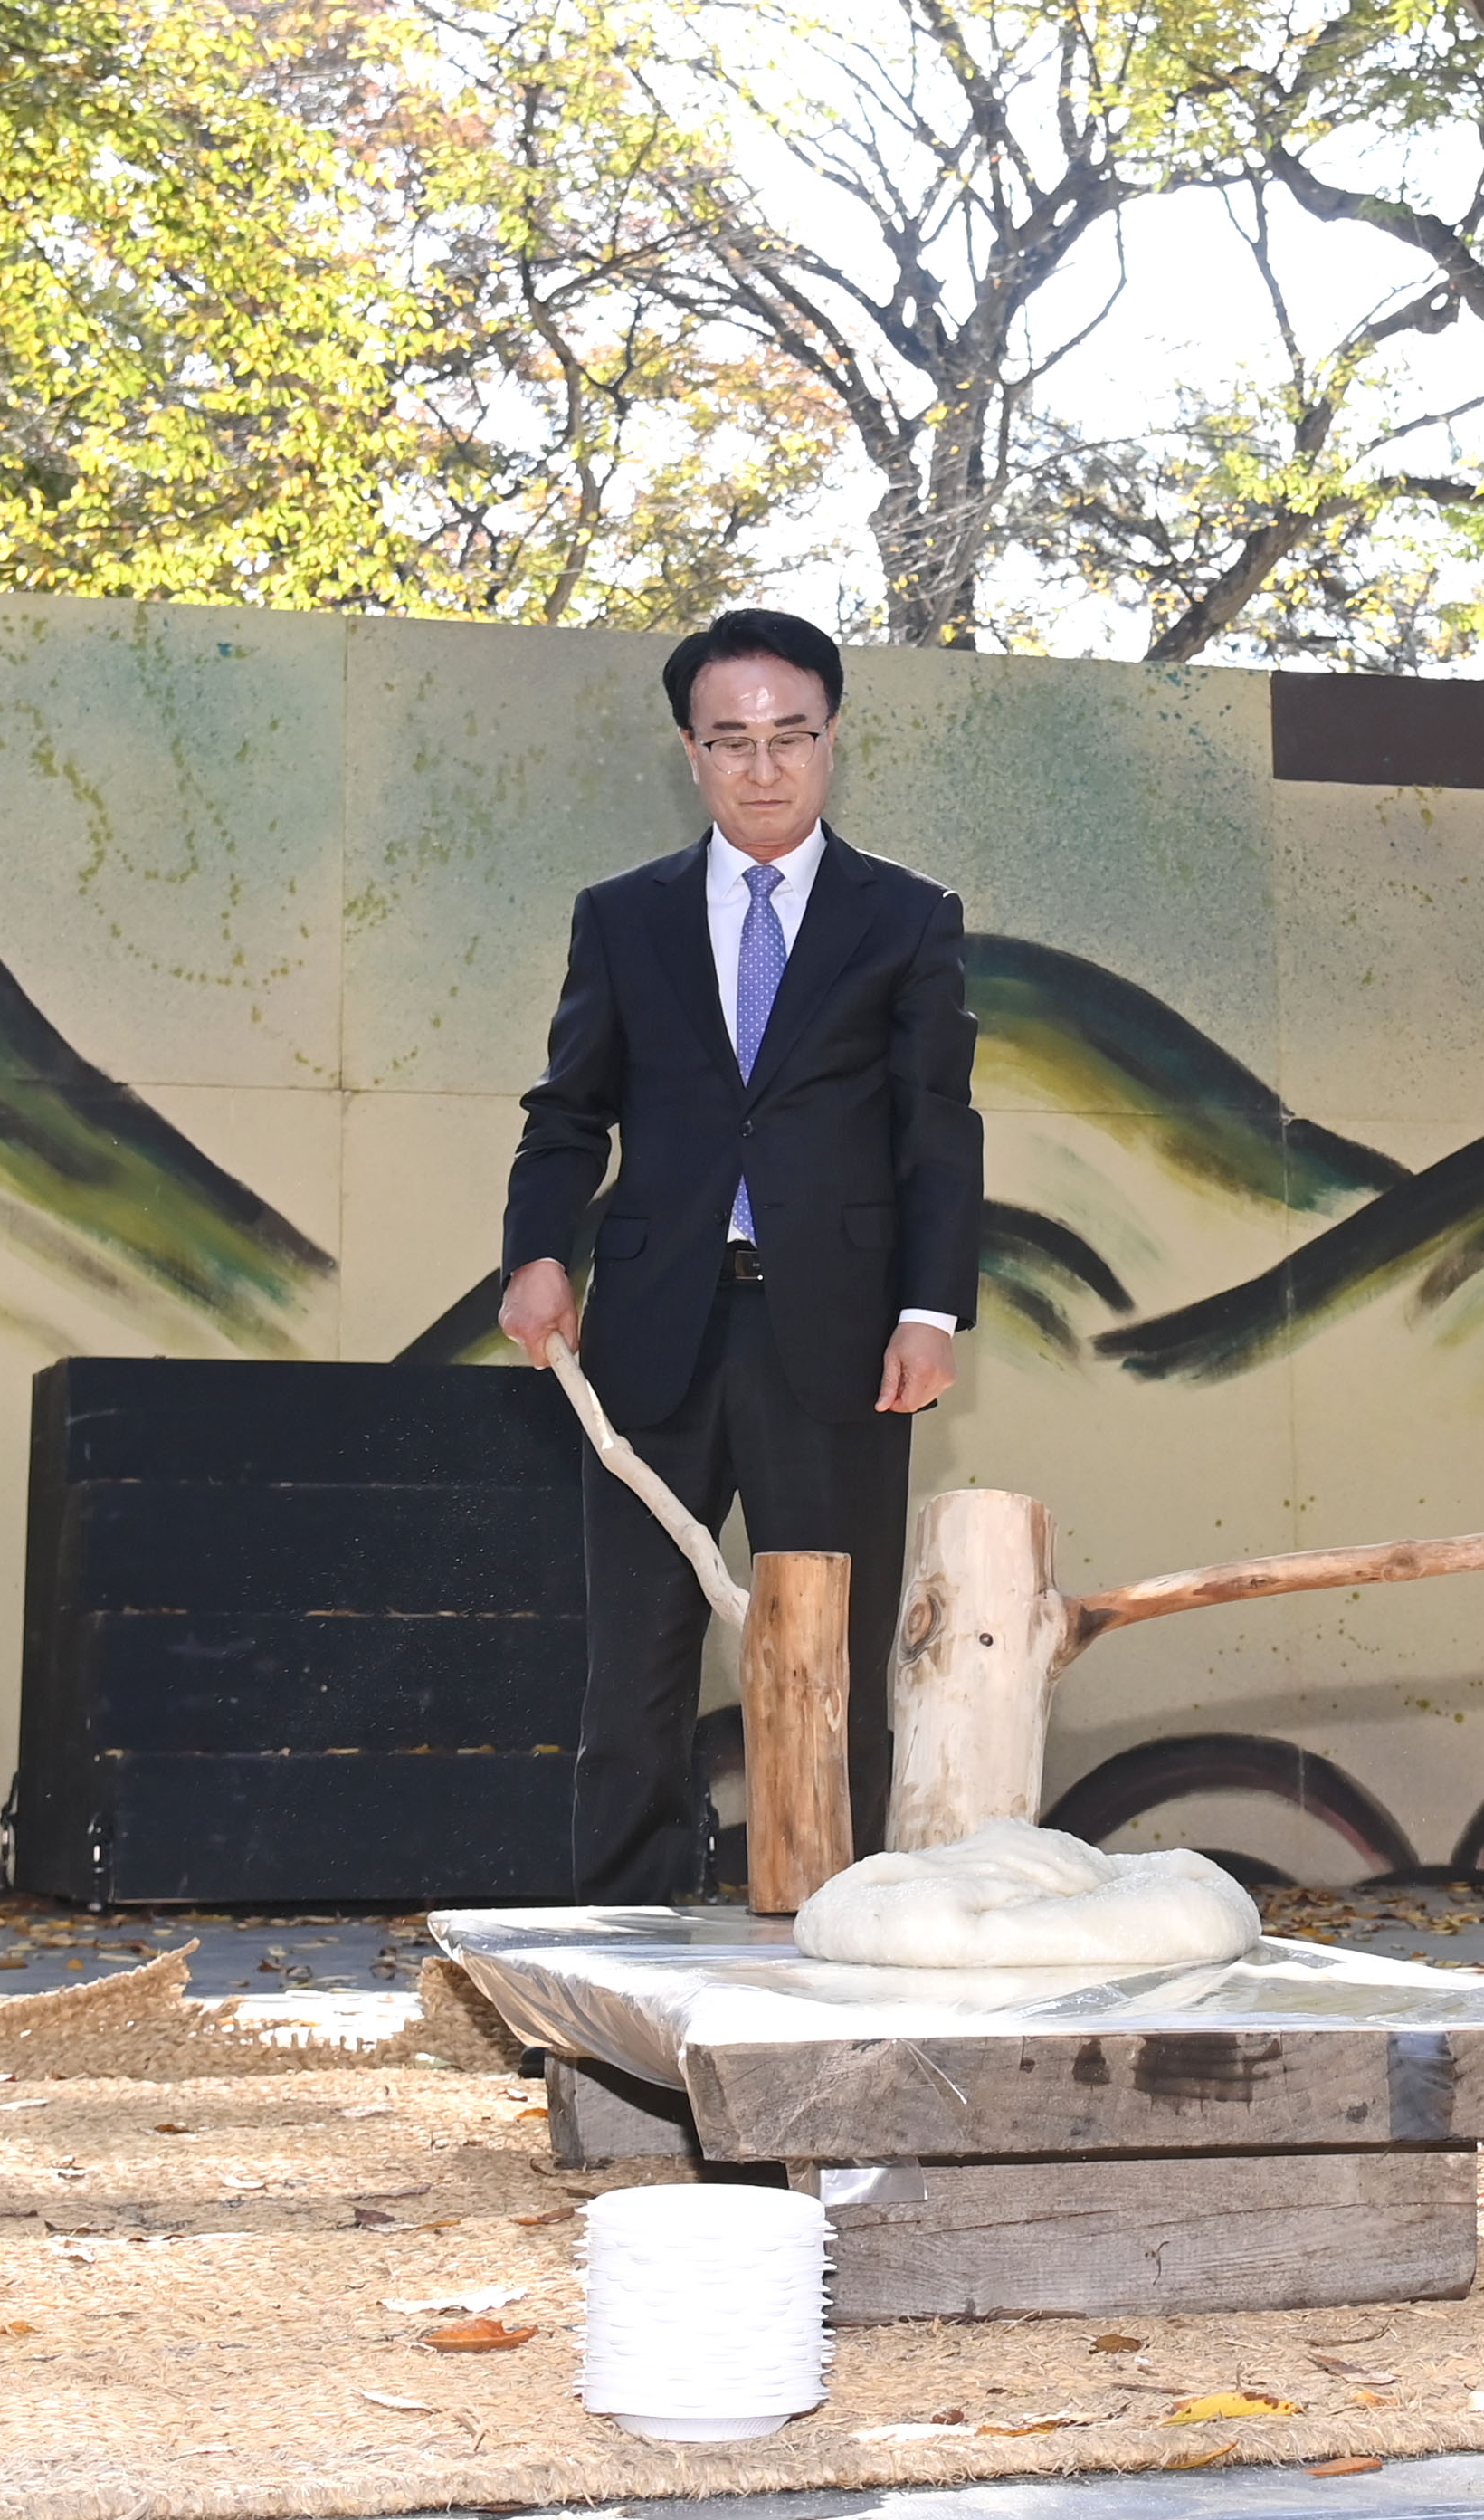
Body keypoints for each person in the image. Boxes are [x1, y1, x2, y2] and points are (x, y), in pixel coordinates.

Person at [497, 611, 982, 1900]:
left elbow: (938, 1129)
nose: (764, 768)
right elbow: (567, 1111)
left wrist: (930, 1310)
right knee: (634, 1666)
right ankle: (622, 1951)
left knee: (832, 1662)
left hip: (839, 1338)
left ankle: (836, 1929)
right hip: (652, 1332)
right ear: (689, 751)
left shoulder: (908, 918)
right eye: (732, 741)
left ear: (832, 740)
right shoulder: (622, 917)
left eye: (792, 738)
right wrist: (538, 1253)